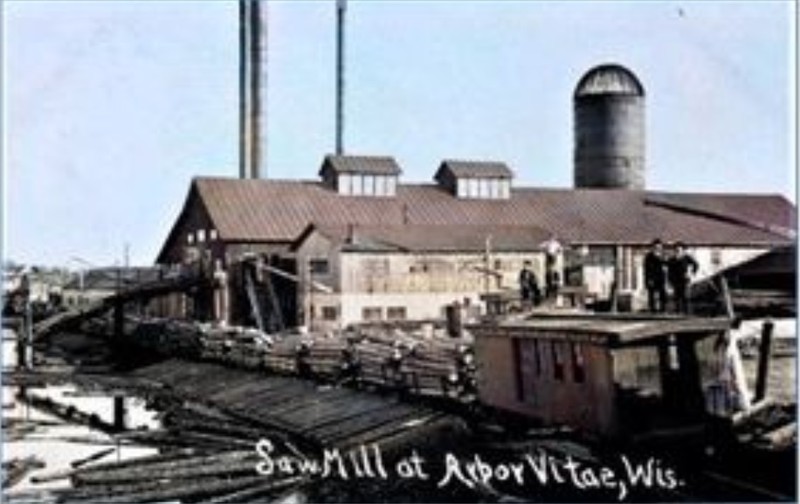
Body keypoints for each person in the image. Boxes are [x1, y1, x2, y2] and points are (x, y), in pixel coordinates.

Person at [667, 241, 699, 314]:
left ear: (683, 250)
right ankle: (678, 311)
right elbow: (669, 271)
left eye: (679, 249)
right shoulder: (672, 259)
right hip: (675, 280)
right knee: (677, 296)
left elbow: (696, 265)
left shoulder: (686, 257)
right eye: (676, 249)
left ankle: (686, 312)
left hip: (684, 279)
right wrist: (670, 281)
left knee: (685, 296)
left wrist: (691, 273)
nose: (678, 251)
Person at [643, 239, 667, 313]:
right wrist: (648, 279)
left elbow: (667, 265)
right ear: (653, 247)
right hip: (652, 277)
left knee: (662, 293)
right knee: (652, 294)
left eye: (659, 247)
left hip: (661, 277)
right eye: (656, 247)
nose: (658, 248)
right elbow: (646, 268)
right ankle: (652, 310)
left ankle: (662, 309)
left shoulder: (663, 255)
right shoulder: (649, 256)